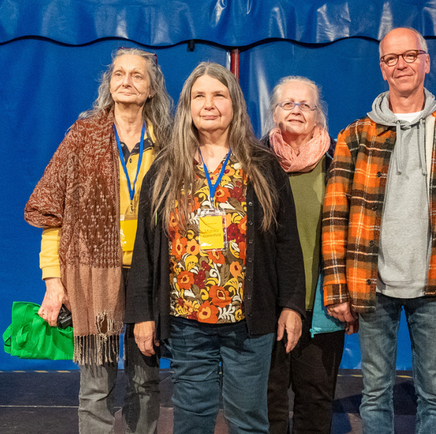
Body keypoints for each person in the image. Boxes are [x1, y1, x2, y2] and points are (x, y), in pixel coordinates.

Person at [321, 27, 436, 434]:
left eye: (410, 55)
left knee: (433, 393)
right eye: (391, 58)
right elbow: (334, 216)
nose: (401, 65)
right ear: (382, 68)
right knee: (375, 393)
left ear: (427, 62)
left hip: (432, 288)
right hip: (373, 288)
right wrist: (338, 289)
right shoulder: (355, 135)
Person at [125, 62, 306, 433]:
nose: (209, 104)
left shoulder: (263, 166)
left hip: (248, 320)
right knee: (192, 417)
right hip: (186, 319)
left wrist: (291, 305)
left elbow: (287, 242)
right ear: (187, 107)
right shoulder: (165, 169)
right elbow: (145, 249)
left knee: (247, 417)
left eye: (219, 95)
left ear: (235, 104)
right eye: (199, 96)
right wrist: (142, 314)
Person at [24, 47, 172, 433]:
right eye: (119, 73)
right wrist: (53, 281)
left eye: (137, 75)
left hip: (149, 276)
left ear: (151, 88)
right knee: (95, 387)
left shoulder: (170, 143)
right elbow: (51, 211)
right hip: (93, 280)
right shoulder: (82, 136)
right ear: (109, 83)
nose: (127, 81)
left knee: (145, 381)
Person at [262, 76, 345, 434]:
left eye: (305, 104)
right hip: (268, 306)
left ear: (319, 116)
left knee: (316, 398)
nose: (296, 110)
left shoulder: (338, 165)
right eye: (287, 104)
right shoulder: (255, 164)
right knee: (269, 399)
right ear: (273, 113)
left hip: (322, 304)